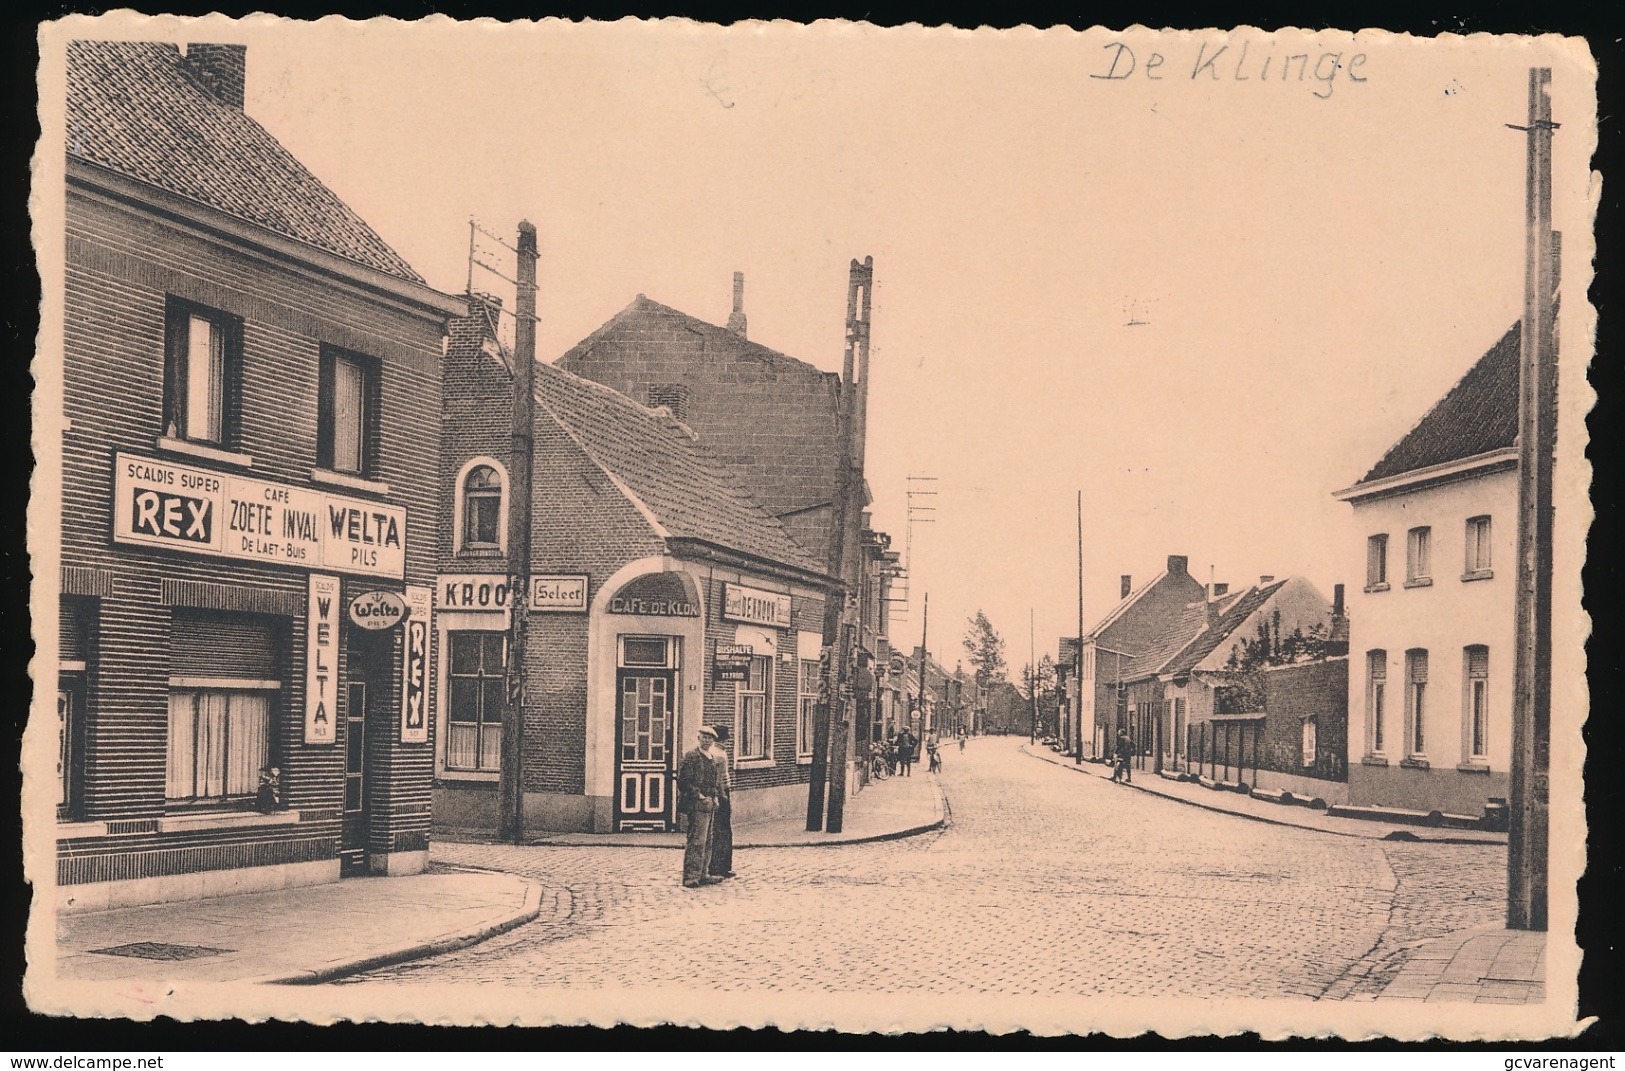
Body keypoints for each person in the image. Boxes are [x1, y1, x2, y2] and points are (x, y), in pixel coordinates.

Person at [676, 725, 724, 887]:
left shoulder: (711, 757)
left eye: (710, 738)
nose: (707, 740)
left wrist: (715, 796)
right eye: (704, 737)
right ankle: (691, 876)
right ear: (698, 738)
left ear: (713, 741)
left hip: (709, 804)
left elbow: (714, 781)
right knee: (697, 840)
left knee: (708, 841)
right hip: (696, 804)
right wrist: (699, 795)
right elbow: (683, 782)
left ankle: (704, 873)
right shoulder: (691, 757)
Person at [708, 724, 736, 880]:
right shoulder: (719, 754)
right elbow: (718, 780)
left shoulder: (712, 752)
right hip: (722, 792)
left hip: (717, 792)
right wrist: (722, 795)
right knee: (722, 829)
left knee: (718, 829)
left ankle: (718, 866)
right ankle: (720, 866)